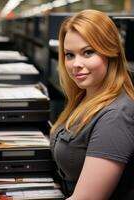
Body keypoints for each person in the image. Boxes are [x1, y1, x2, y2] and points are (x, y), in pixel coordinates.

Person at [50, 9, 134, 200]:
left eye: (87, 52)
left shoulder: (116, 116)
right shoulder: (84, 97)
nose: (75, 64)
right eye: (69, 55)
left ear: (110, 52)